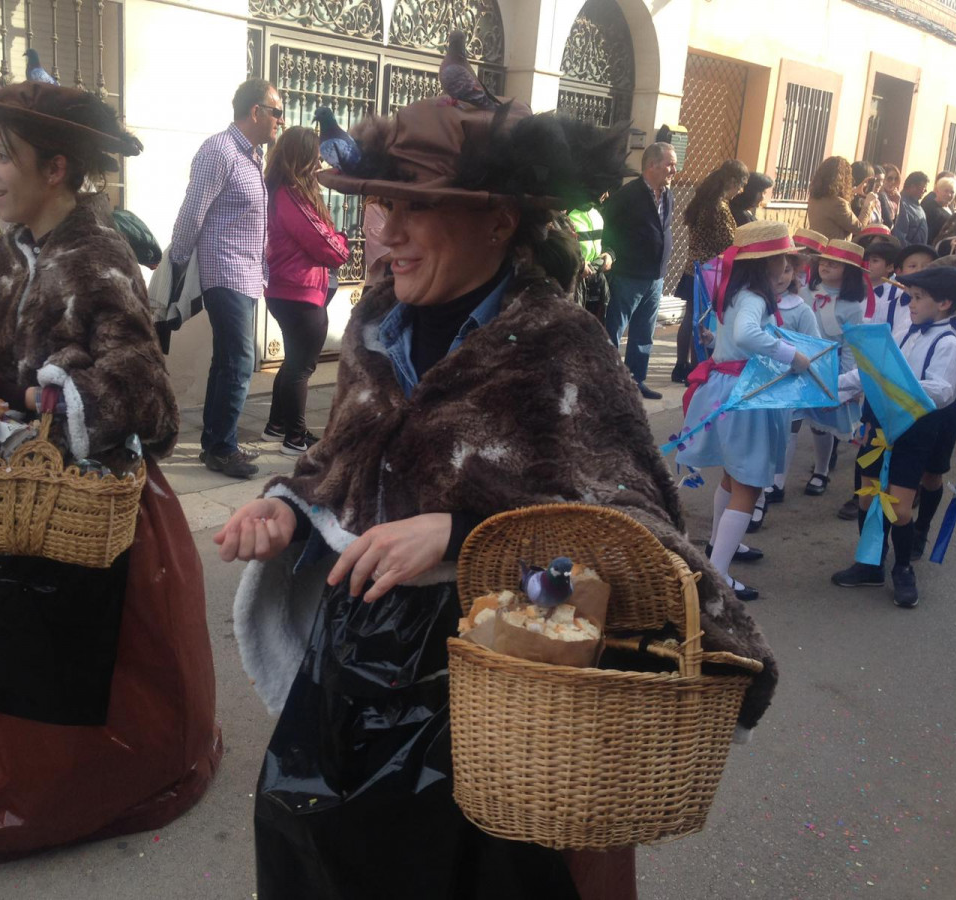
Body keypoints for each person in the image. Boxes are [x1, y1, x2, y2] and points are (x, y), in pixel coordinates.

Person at [218, 98, 778, 900]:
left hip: (505, 686)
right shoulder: (376, 324)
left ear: (498, 221)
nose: (388, 231)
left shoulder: (560, 346)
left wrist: (460, 534)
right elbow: (343, 464)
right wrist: (289, 509)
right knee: (325, 853)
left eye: (421, 208)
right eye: (383, 205)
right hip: (351, 663)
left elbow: (633, 535)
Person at [0, 80, 221, 869]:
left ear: (54, 168)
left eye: (0, 156)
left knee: (70, 664)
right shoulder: (10, 248)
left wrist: (38, 392)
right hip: (7, 488)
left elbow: (145, 397)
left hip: (88, 503)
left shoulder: (98, 257)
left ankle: (56, 802)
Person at [676, 221, 810, 600]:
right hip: (745, 394)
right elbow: (746, 335)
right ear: (767, 262)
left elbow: (731, 337)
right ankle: (717, 577)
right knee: (748, 485)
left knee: (733, 479)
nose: (786, 265)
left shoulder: (733, 292)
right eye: (783, 258)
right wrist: (792, 354)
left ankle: (721, 547)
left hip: (726, 390)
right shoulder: (753, 297)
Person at [831, 266, 956, 606]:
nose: (911, 303)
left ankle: (902, 568)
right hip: (878, 422)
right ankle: (871, 562)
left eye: (919, 298)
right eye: (911, 296)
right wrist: (832, 385)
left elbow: (942, 390)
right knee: (867, 494)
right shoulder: (905, 329)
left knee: (900, 508)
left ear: (945, 303)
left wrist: (891, 384)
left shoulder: (949, 343)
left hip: (915, 427)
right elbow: (872, 371)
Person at [169, 78, 281, 479]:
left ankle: (215, 442)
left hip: (248, 274)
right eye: (277, 113)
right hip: (225, 271)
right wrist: (176, 263)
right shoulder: (219, 150)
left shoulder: (249, 154)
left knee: (227, 361)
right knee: (240, 360)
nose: (279, 123)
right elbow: (192, 212)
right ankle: (222, 448)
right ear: (256, 111)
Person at [260, 126, 349, 455]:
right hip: (299, 291)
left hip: (286, 290)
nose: (320, 163)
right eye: (316, 156)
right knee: (302, 366)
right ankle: (295, 438)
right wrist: (343, 243)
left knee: (293, 361)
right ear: (302, 157)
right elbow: (325, 244)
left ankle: (277, 425)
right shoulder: (290, 195)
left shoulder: (278, 190)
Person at [750, 251, 821, 532]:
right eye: (776, 270)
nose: (780, 277)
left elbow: (813, 345)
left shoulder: (801, 309)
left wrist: (795, 360)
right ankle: (758, 492)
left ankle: (775, 482)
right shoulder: (753, 303)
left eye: (787, 271)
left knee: (786, 433)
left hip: (789, 385)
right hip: (758, 385)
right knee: (760, 439)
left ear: (795, 275)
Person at [602, 140, 677, 399]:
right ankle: (609, 384)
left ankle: (637, 381)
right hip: (628, 275)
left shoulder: (668, 194)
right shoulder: (628, 194)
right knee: (615, 329)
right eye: (670, 165)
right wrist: (613, 257)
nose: (674, 171)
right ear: (652, 165)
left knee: (644, 333)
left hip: (655, 277)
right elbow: (608, 227)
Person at [800, 240, 871, 497]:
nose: (825, 265)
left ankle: (821, 470)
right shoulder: (803, 292)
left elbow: (851, 346)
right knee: (790, 420)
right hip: (799, 361)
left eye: (834, 263)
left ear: (849, 271)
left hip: (831, 366)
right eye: (823, 260)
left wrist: (844, 381)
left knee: (822, 422)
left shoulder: (852, 306)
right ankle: (775, 481)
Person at [674, 159, 748, 383]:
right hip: (708, 272)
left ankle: (681, 366)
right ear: (733, 181)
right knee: (702, 321)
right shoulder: (719, 206)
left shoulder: (703, 200)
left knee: (690, 318)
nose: (741, 191)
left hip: (692, 268)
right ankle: (697, 369)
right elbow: (728, 241)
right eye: (741, 185)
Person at [567, 189, 615, 320]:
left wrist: (609, 254)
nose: (606, 195)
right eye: (602, 190)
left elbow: (609, 241)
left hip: (595, 279)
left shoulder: (597, 212)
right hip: (574, 282)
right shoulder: (567, 212)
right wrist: (579, 263)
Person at [806, 156, 877, 240]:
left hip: (817, 246)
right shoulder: (839, 204)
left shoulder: (814, 198)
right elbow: (859, 229)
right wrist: (867, 205)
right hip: (835, 250)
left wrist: (853, 191)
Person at [892, 171, 930, 246]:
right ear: (913, 187)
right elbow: (899, 237)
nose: (925, 191)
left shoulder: (915, 204)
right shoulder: (902, 205)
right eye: (924, 187)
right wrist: (912, 252)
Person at [921, 173, 956, 245]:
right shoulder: (931, 207)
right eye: (946, 191)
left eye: (952, 192)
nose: (949, 195)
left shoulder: (950, 207)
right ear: (937, 191)